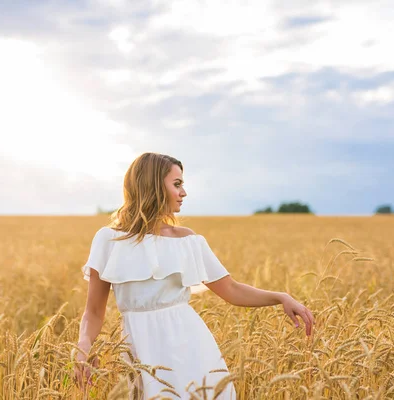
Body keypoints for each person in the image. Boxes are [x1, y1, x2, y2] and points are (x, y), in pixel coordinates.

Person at [74, 152, 315, 399]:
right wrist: (84, 345)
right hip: (139, 350)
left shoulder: (187, 240)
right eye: (177, 184)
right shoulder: (109, 240)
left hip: (191, 347)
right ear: (153, 186)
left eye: (182, 184)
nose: (183, 192)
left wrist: (281, 297)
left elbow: (231, 290)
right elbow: (93, 311)